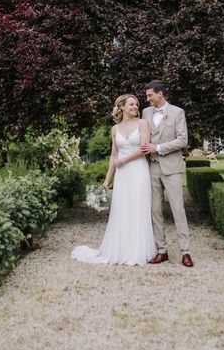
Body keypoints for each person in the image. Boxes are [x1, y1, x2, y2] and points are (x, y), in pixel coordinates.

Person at [71, 94, 156, 265]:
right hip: (122, 175)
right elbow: (113, 156)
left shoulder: (142, 124)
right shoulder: (115, 129)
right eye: (131, 104)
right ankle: (121, 250)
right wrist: (106, 181)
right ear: (122, 107)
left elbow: (144, 149)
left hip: (138, 170)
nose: (135, 107)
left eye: (137, 104)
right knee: (122, 209)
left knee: (138, 207)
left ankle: (138, 251)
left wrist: (124, 160)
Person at [140, 80, 193, 267]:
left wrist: (158, 147)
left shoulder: (178, 112)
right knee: (155, 210)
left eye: (149, 95)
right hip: (152, 167)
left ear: (160, 93)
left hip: (171, 168)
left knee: (178, 209)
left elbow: (182, 140)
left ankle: (185, 251)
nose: (147, 99)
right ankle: (161, 251)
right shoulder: (146, 113)